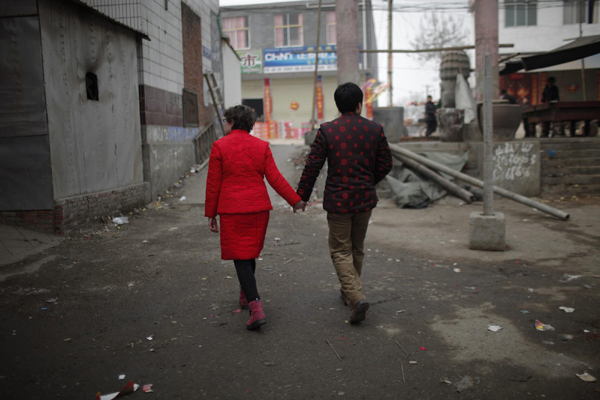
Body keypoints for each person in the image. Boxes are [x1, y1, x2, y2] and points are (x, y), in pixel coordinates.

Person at [296, 83, 393, 324]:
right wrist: (369, 181)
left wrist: (301, 196)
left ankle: (355, 296)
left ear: (338, 106)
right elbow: (386, 163)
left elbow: (313, 166)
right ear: (359, 104)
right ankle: (349, 292)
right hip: (364, 200)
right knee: (356, 248)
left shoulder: (328, 130)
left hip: (338, 202)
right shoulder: (375, 129)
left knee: (340, 250)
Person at [205, 105, 305, 330]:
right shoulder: (261, 146)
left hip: (231, 210)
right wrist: (295, 200)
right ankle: (245, 292)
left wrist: (211, 214)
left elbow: (213, 184)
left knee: (240, 257)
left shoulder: (220, 146)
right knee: (248, 251)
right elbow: (275, 178)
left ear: (231, 121)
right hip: (258, 209)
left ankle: (256, 307)